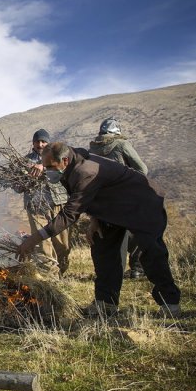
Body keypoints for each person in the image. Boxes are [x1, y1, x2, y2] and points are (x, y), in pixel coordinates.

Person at [18, 142, 181, 318]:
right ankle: (106, 303)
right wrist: (95, 219)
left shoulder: (84, 171)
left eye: (50, 166)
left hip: (141, 204)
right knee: (102, 247)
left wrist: (33, 240)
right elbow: (91, 195)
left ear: (64, 160)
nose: (47, 170)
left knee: (151, 252)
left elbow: (68, 215)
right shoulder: (69, 166)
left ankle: (170, 303)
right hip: (113, 208)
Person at [89, 118, 147, 279]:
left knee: (110, 238)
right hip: (124, 200)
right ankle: (136, 269)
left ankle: (111, 274)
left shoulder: (92, 150)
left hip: (102, 203)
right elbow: (142, 169)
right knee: (136, 233)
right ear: (117, 132)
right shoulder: (122, 145)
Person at [16, 129, 71, 276]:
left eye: (43, 141)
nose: (40, 144)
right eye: (37, 141)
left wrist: (44, 167)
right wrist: (26, 180)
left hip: (58, 203)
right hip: (36, 206)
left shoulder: (57, 157)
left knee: (63, 244)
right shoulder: (24, 162)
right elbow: (17, 187)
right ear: (33, 143)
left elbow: (65, 172)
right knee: (43, 242)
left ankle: (62, 271)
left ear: (48, 142)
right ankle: (50, 276)